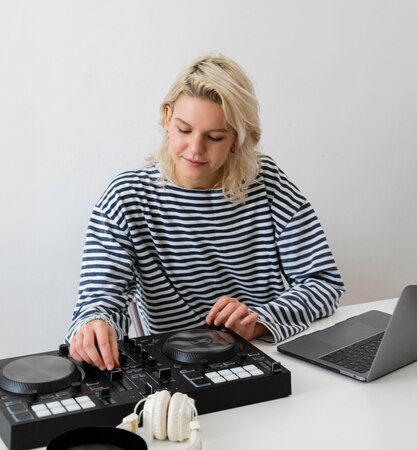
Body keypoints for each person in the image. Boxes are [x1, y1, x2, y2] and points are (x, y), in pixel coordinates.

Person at [67, 54, 345, 371]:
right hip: (178, 372)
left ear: (238, 139)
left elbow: (324, 283)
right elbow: (100, 298)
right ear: (167, 118)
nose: (196, 149)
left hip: (263, 360)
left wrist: (259, 321)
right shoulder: (127, 197)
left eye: (215, 137)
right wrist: (94, 324)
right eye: (184, 130)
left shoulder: (267, 184)